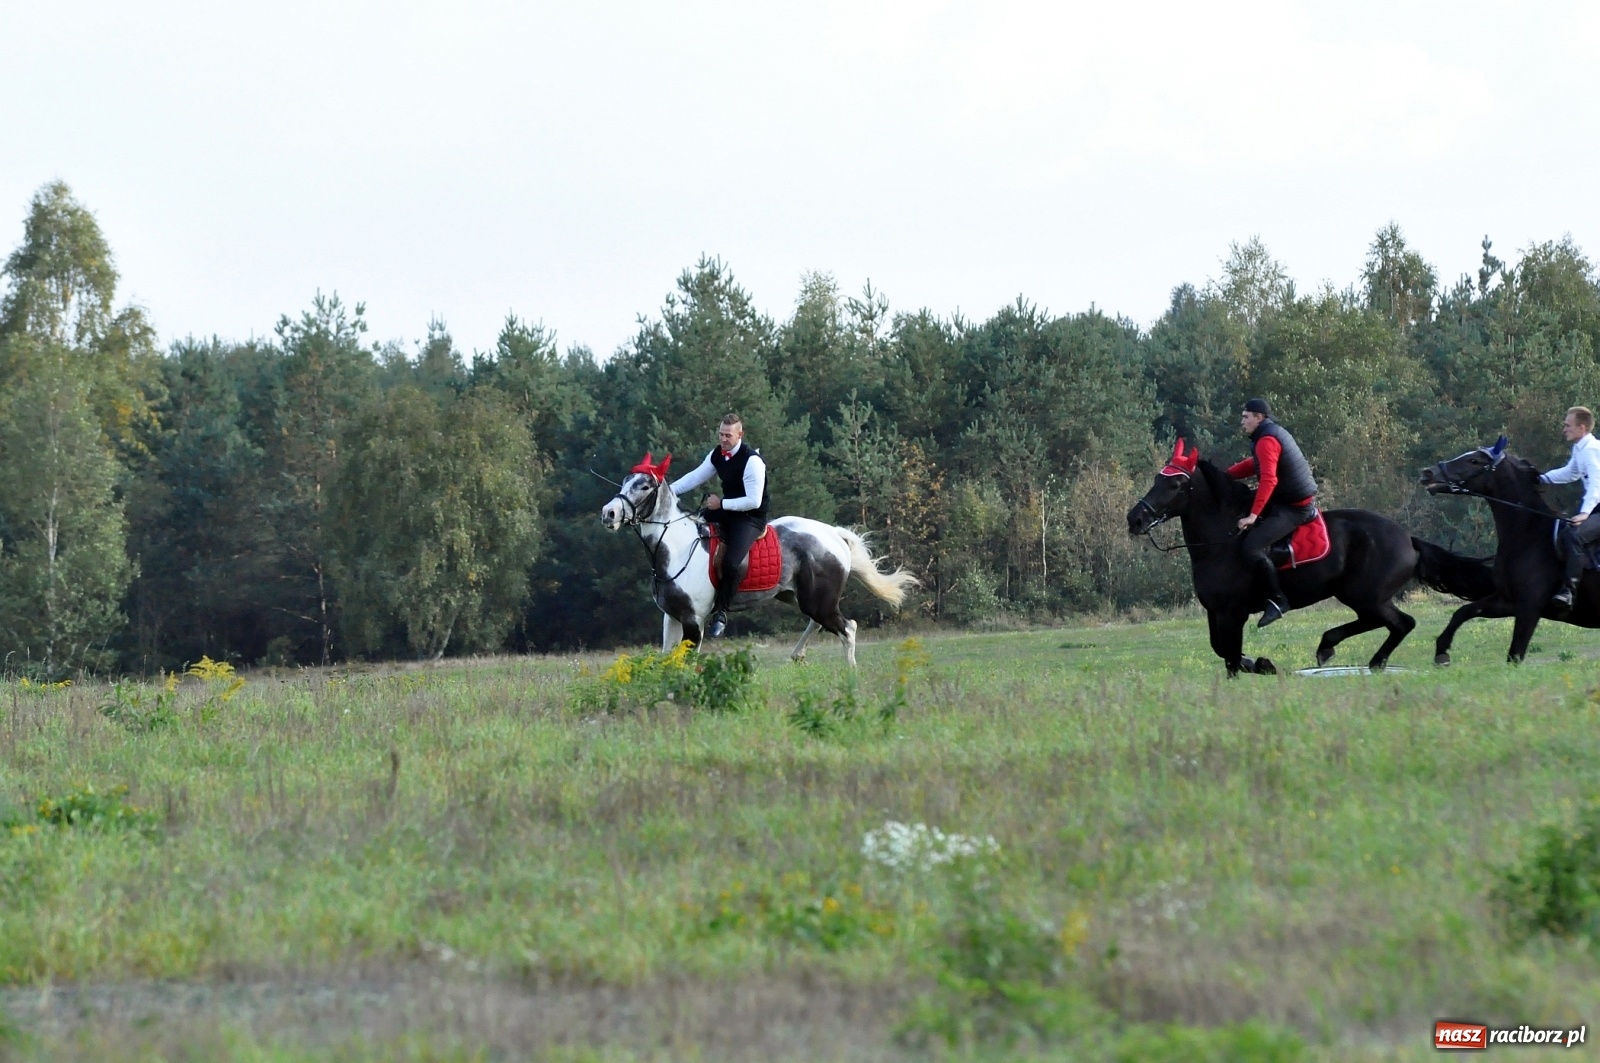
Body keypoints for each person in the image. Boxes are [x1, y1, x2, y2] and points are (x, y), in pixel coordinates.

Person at [669, 413, 770, 638]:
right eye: (721, 434)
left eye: (728, 435)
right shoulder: (718, 454)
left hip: (750, 518)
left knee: (732, 563)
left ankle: (721, 611)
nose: (723, 439)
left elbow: (753, 501)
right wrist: (667, 490)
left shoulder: (752, 460)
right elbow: (695, 477)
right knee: (690, 526)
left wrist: (720, 503)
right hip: (725, 511)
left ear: (740, 435)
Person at [1225, 398, 1318, 628]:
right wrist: (1224, 476)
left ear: (1259, 417)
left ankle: (1278, 600)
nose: (1242, 421)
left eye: (1246, 416)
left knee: (1252, 546)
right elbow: (1254, 465)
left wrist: (1253, 516)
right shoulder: (1266, 436)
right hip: (1284, 499)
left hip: (1295, 508)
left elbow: (1269, 479)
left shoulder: (1266, 439)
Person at [1541, 405, 1600, 611]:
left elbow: (1596, 483)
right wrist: (1541, 478)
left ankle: (1569, 590)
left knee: (1574, 535)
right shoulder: (1580, 448)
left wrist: (1585, 513)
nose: (1564, 429)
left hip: (1597, 506)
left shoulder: (1591, 450)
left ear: (1582, 427)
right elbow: (1570, 473)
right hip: (1597, 507)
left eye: (1568, 425)